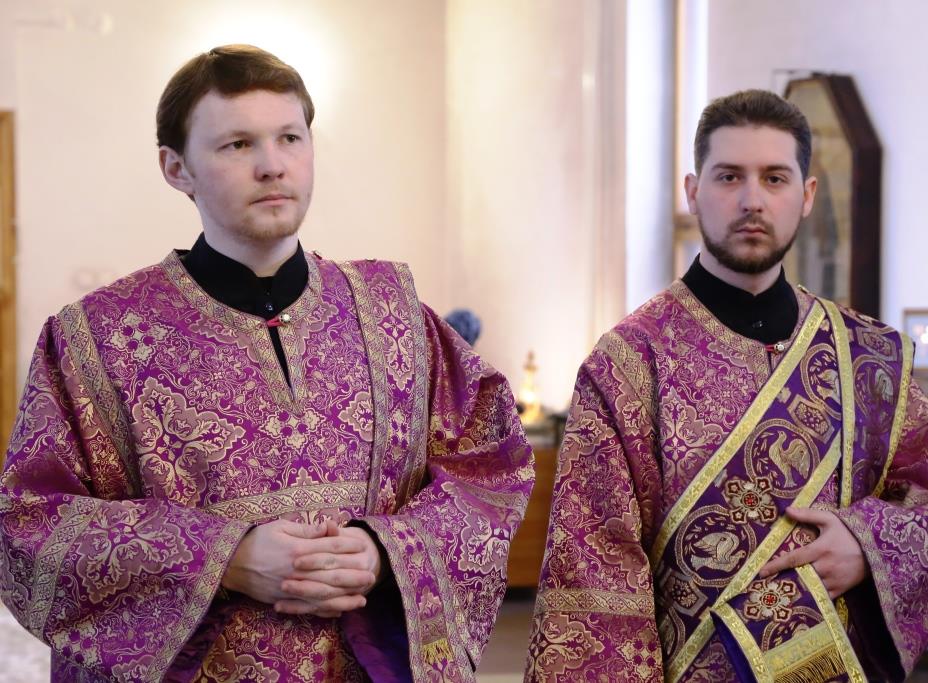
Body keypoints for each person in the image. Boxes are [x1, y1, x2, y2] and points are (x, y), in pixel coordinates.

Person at [0, 44, 534, 682]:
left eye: (289, 138)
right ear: (176, 168)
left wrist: (385, 550)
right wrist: (222, 558)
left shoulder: (396, 312)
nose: (272, 165)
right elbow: (30, 526)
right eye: (237, 144)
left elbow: (491, 468)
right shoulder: (96, 337)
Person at [526, 90, 928, 681]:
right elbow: (593, 575)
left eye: (774, 178)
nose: (751, 200)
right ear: (693, 191)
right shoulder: (629, 364)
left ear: (806, 196)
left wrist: (868, 546)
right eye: (729, 176)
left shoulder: (869, 356)